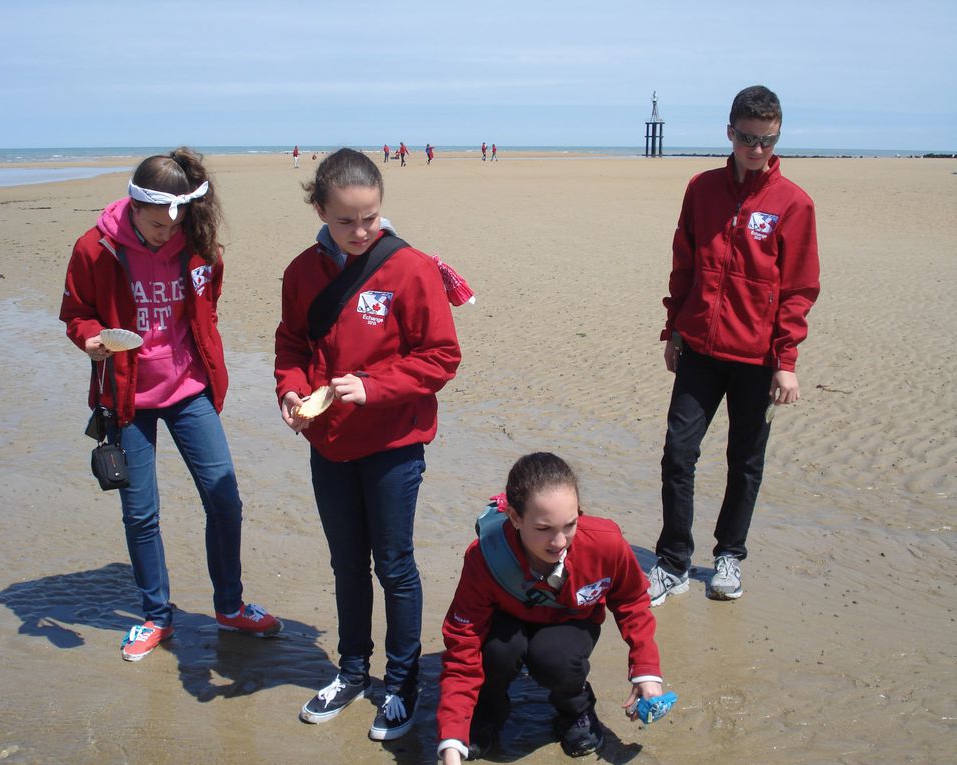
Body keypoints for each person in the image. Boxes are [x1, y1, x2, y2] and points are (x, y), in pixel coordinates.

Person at [59, 148, 282, 662]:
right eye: (157, 223)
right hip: (126, 398)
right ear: (133, 207)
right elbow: (76, 312)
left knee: (224, 500)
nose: (166, 231)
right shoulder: (95, 249)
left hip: (189, 391)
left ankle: (230, 605)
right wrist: (91, 339)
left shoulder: (198, 246)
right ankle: (156, 615)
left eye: (174, 221)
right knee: (141, 513)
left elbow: (207, 307)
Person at [275, 148, 462, 741]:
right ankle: (353, 670)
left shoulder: (409, 269)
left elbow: (441, 357)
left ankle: (402, 682)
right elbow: (292, 345)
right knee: (346, 562)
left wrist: (373, 387)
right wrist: (291, 391)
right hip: (328, 444)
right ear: (320, 211)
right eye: (346, 221)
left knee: (395, 565)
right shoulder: (301, 272)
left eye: (371, 218)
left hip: (393, 443)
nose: (360, 231)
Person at [647, 85, 821, 607]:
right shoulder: (702, 189)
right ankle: (673, 561)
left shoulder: (794, 204)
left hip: (757, 359)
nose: (756, 149)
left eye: (766, 140)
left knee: (745, 460)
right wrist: (674, 328)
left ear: (777, 137)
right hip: (699, 348)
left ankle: (729, 556)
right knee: (678, 453)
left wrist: (785, 363)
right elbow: (684, 262)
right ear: (730, 132)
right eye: (747, 138)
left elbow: (798, 288)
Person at [437, 453, 665, 762]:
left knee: (555, 658)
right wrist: (451, 735)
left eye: (570, 524)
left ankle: (575, 710)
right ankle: (486, 712)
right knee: (497, 652)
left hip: (569, 621)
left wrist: (646, 669)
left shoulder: (605, 544)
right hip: (506, 620)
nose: (559, 541)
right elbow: (463, 644)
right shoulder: (484, 558)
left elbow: (632, 600)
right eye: (544, 528)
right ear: (515, 518)